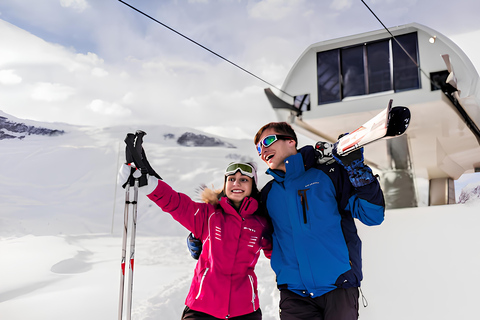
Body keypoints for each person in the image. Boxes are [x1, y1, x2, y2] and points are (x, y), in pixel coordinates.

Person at [254, 122, 385, 320]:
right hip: (294, 294)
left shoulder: (327, 175)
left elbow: (372, 215)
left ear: (291, 141)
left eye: (268, 141)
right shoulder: (268, 195)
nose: (262, 150)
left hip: (338, 285)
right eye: (258, 148)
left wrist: (357, 170)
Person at [135, 160, 272, 320]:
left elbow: (278, 253)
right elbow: (177, 203)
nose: (236, 183)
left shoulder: (261, 224)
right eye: (231, 179)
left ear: (252, 186)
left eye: (244, 180)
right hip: (202, 307)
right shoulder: (208, 215)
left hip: (245, 310)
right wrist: (150, 185)